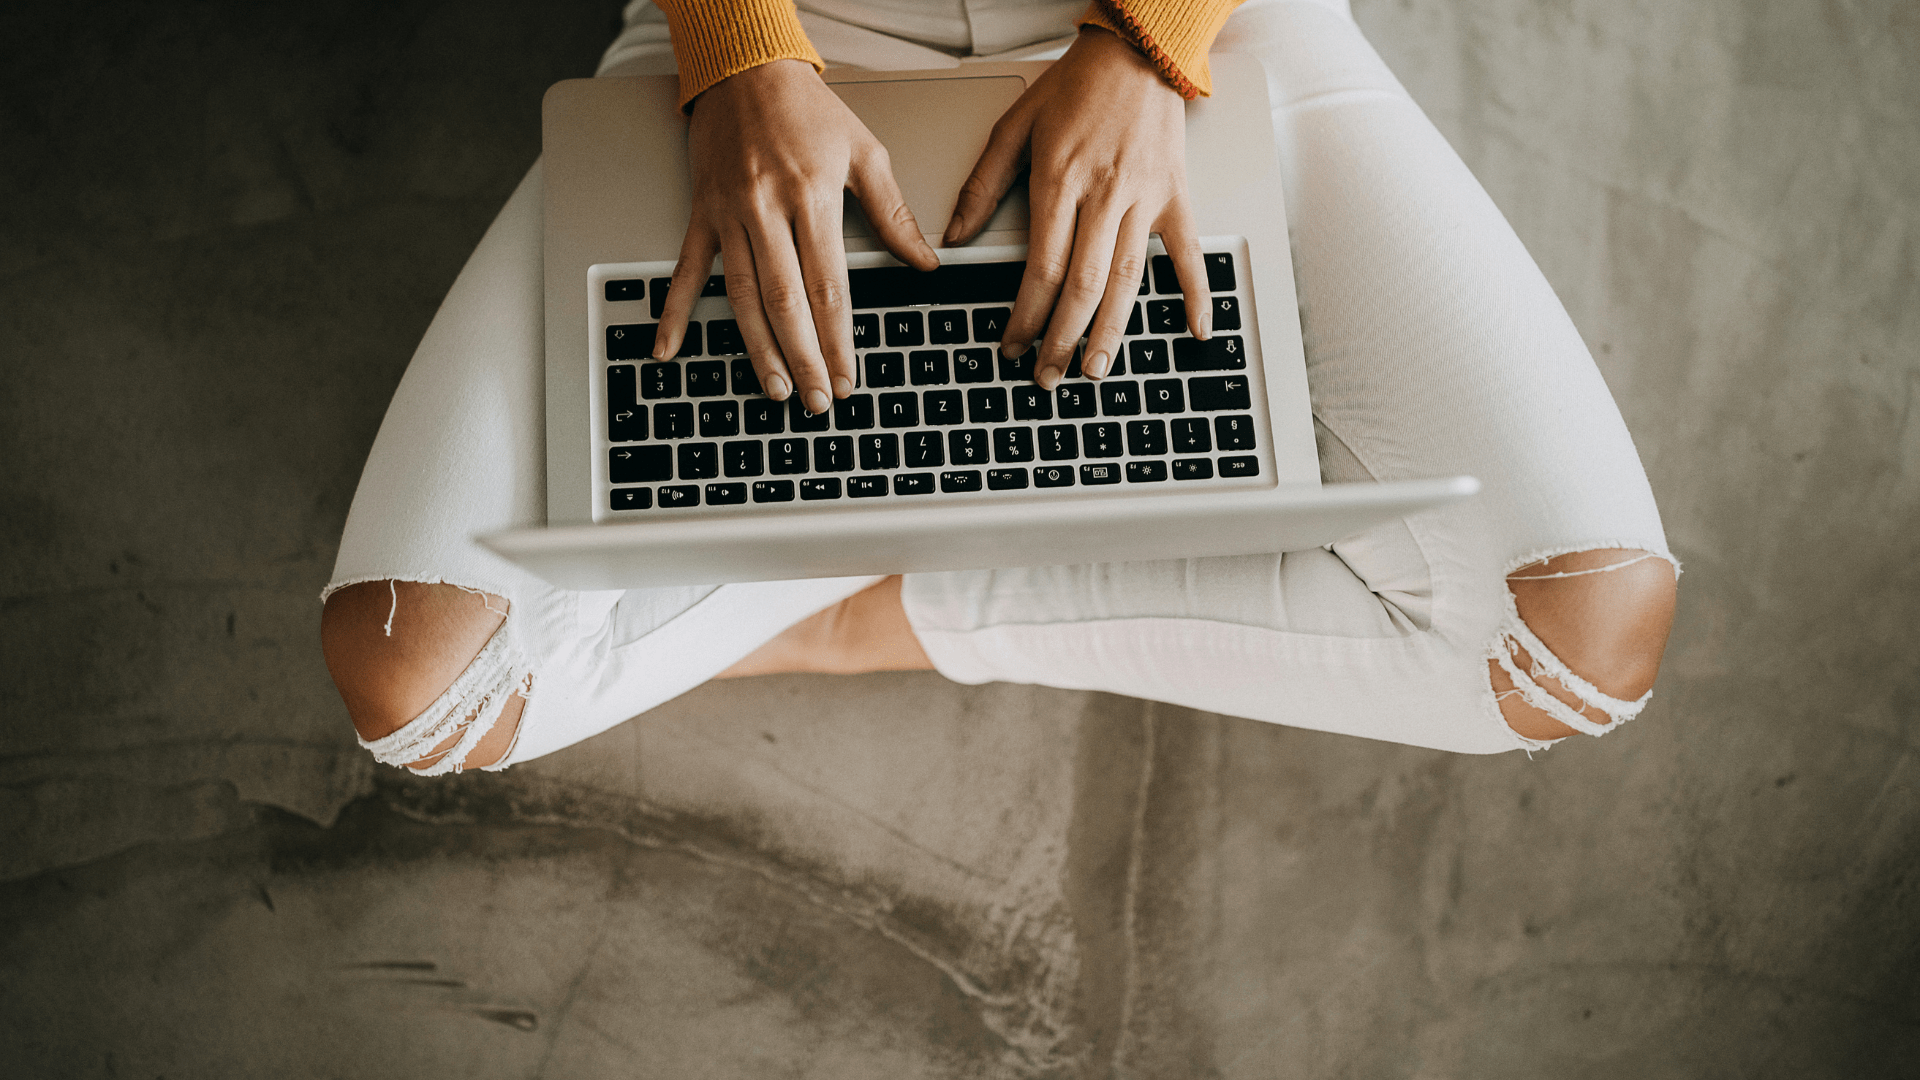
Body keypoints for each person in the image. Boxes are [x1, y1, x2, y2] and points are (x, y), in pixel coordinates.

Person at [319, 0, 1679, 776]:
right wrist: (737, 55)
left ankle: (895, 608)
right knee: (424, 681)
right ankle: (945, 523)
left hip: (1212, 30)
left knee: (1565, 648)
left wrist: (1152, 41)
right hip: (789, 33)